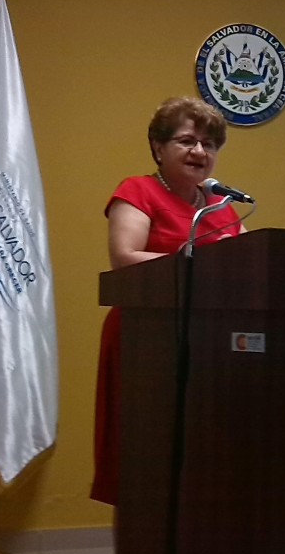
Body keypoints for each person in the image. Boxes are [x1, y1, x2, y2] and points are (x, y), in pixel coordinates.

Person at [91, 97, 246, 505]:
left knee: (203, 463)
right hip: (147, 340)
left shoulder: (222, 206)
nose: (200, 151)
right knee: (146, 459)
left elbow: (250, 266)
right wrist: (197, 264)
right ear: (158, 148)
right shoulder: (137, 191)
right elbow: (125, 258)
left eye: (209, 144)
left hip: (211, 347)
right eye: (187, 140)